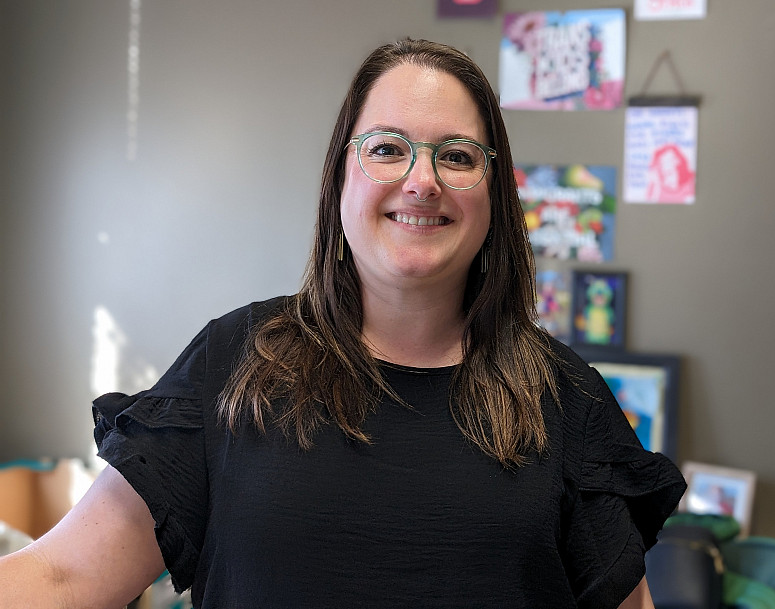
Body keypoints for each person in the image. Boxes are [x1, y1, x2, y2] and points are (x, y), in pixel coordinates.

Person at [0, 39, 685, 608]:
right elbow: (64, 575)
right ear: (342, 177)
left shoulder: (568, 400)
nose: (423, 180)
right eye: (388, 148)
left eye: (456, 154)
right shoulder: (232, 363)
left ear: (495, 193)